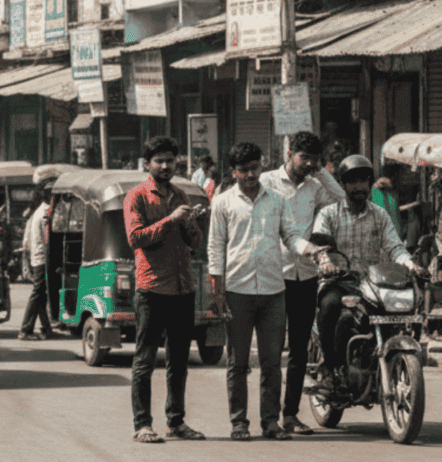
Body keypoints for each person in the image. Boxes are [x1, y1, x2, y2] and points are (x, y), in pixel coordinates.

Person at [291, 155, 429, 389]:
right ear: (343, 185)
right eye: (352, 182)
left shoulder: (380, 215)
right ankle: (330, 368)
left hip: (373, 284)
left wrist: (411, 265)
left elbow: (395, 247)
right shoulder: (329, 214)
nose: (359, 187)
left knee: (398, 313)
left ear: (369, 183)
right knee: (330, 307)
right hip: (338, 282)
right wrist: (325, 261)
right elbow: (320, 245)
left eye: (363, 181)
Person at [208, 142, 311, 441]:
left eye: (255, 168)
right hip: (237, 291)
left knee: (271, 362)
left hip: (273, 290)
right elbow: (215, 248)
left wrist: (309, 248)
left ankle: (271, 422)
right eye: (243, 170)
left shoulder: (277, 201)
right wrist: (217, 292)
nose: (250, 175)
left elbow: (291, 236)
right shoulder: (223, 203)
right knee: (237, 363)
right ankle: (239, 422)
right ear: (233, 172)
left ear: (262, 165)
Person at [260, 130, 344, 436]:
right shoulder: (267, 181)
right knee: (271, 352)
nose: (308, 163)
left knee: (298, 350)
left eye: (313, 158)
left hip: (305, 275)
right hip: (273, 274)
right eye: (303, 157)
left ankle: (290, 415)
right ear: (289, 154)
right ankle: (268, 418)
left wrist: (321, 171)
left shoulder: (315, 187)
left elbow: (340, 198)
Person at [123, 135, 206, 444]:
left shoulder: (182, 195)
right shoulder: (138, 196)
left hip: (183, 289)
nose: (165, 166)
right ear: (147, 164)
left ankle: (177, 421)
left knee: (179, 362)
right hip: (151, 289)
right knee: (144, 361)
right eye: (159, 161)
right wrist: (171, 220)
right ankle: (142, 424)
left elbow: (196, 243)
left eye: (170, 160)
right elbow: (135, 238)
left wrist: (189, 223)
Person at [18, 169, 57, 341]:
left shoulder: (39, 211)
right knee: (37, 293)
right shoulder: (45, 214)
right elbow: (47, 240)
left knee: (41, 294)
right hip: (41, 259)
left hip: (36, 259)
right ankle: (25, 329)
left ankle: (46, 328)